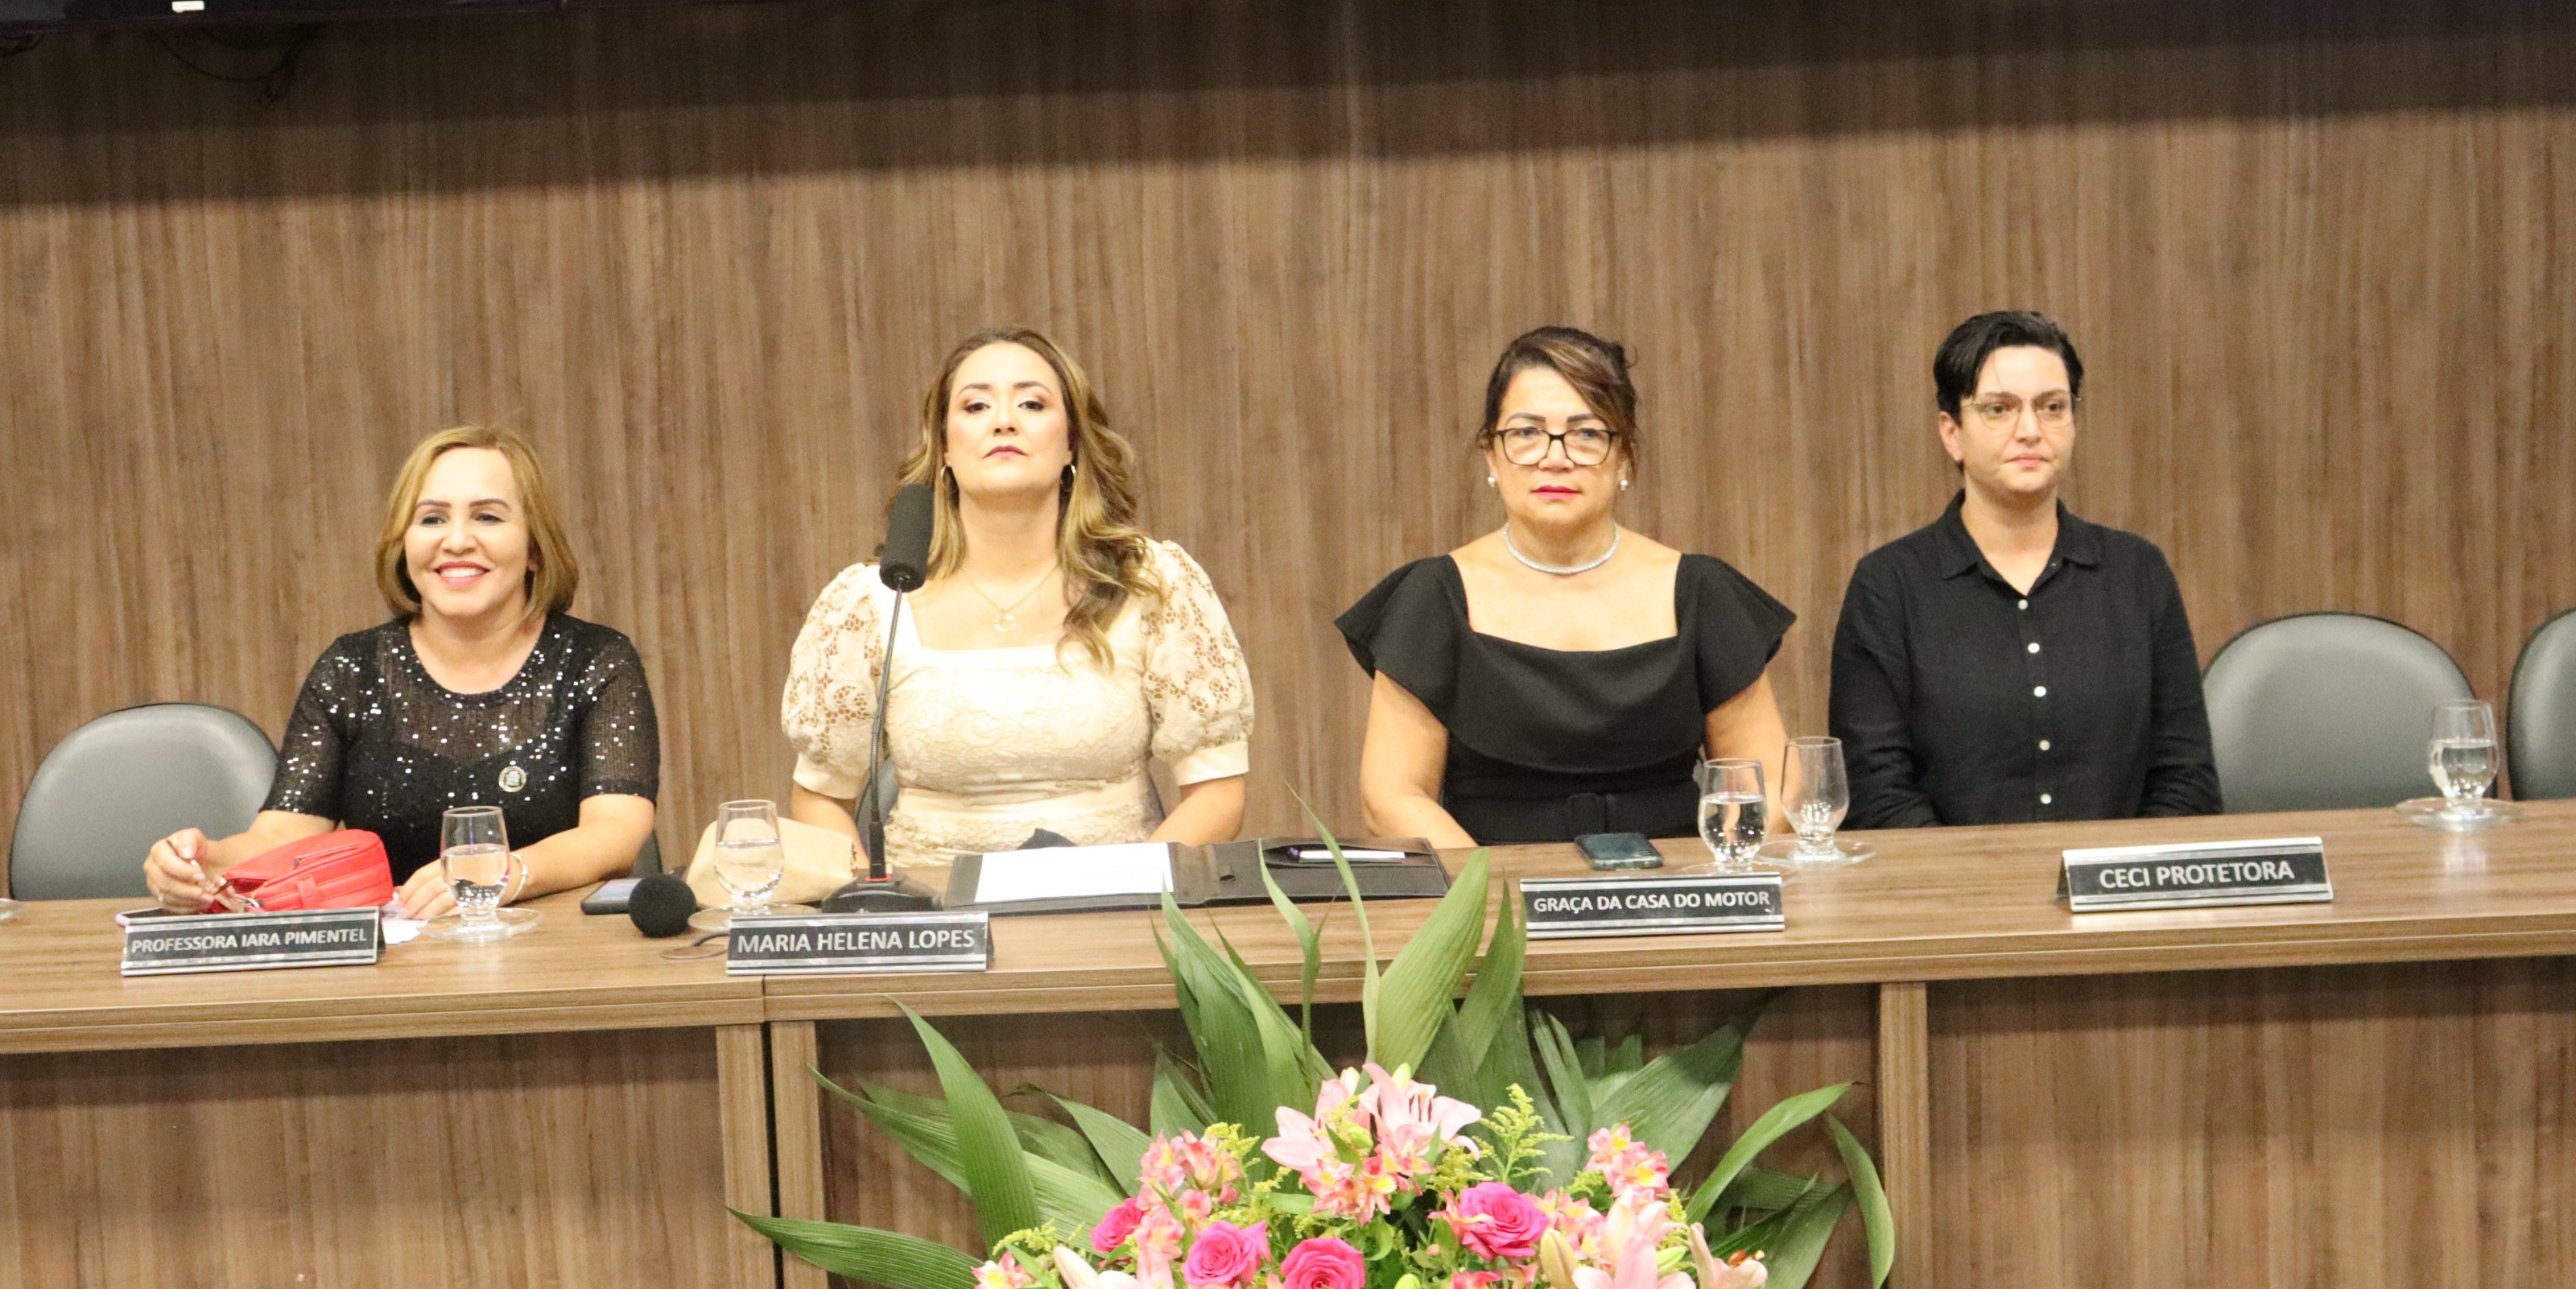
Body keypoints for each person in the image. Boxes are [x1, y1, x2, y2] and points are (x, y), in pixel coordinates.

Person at [780, 328, 1253, 878]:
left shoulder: (1151, 583)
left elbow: (1217, 792)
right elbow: (819, 798)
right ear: (945, 448)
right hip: (936, 913)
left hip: (1118, 908)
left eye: (1032, 403)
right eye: (976, 406)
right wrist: (876, 902)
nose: (1004, 421)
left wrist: (1128, 890)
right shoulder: (875, 600)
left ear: (1071, 442)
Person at [144, 426, 659, 916]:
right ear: (404, 545)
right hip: (395, 960)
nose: (456, 541)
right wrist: (206, 864)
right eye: (432, 519)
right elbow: (283, 836)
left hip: (559, 953)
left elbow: (614, 833)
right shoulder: (351, 669)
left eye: (487, 517)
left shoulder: (596, 659)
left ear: (535, 549)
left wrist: (508, 873)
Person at [1340, 326, 1793, 849]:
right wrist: (1492, 887)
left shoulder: (1702, 592)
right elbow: (1393, 795)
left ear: (1624, 456)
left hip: (1676, 886)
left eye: (1586, 434)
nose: (1555, 457)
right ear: (1491, 455)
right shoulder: (1433, 597)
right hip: (1493, 891)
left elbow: (1767, 785)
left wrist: (1713, 878)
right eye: (1526, 433)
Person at [1828, 312, 2219, 829]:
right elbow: (1876, 793)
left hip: (2119, 878)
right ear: (1952, 433)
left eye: (2052, 407)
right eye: (1999, 410)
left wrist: (2120, 870)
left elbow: (2186, 778)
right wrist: (1981, 875)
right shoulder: (1889, 585)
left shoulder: (2137, 572)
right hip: (1949, 880)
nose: (2031, 431)